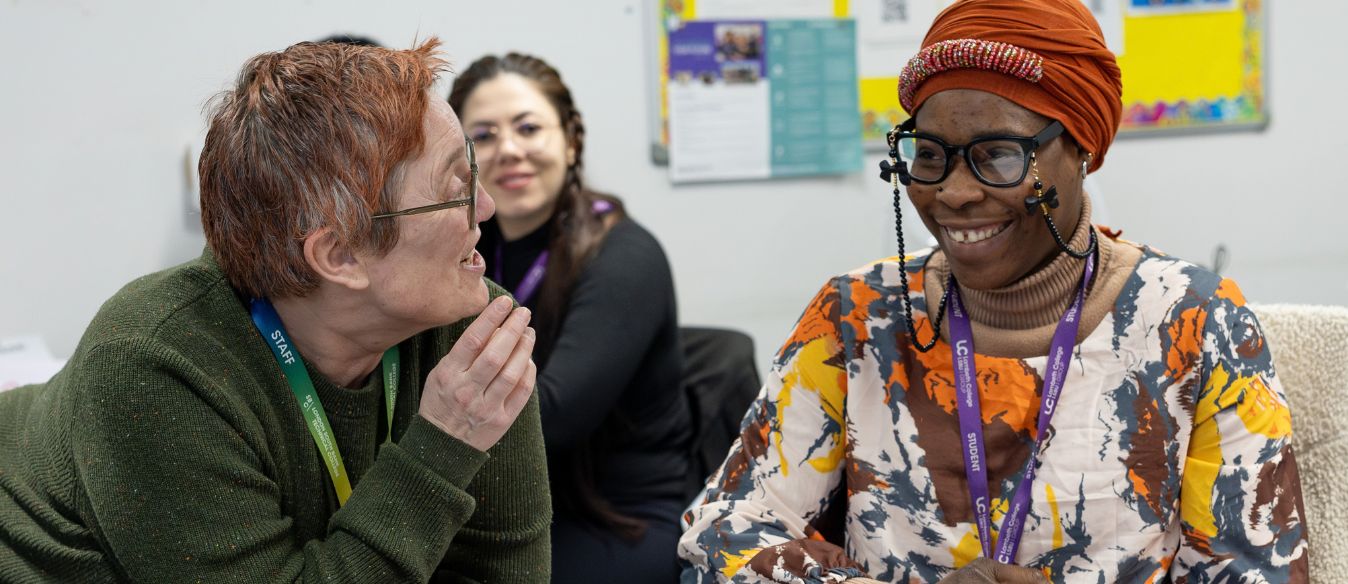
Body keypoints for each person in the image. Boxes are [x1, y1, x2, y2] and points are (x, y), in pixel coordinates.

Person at [678, 1, 1308, 582]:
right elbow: (722, 533)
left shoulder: (1193, 323)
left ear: (1081, 148)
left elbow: (1257, 572)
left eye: (998, 155)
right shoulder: (855, 318)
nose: (953, 192)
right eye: (929, 155)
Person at [0, 39, 551, 582]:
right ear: (339, 256)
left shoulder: (472, 331)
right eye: (456, 189)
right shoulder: (151, 364)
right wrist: (443, 445)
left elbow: (502, 570)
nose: (487, 207)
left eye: (471, 174)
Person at [449, 53, 690, 583]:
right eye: (483, 136)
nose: (508, 150)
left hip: (617, 518)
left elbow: (554, 417)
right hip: (504, 506)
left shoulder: (625, 255)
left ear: (571, 139)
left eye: (528, 127)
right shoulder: (470, 247)